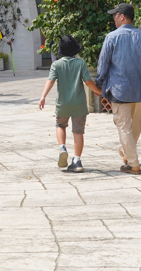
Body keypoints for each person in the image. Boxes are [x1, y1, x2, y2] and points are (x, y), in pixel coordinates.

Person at [96, 2, 141, 175]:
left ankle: (133, 163)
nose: (114, 19)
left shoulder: (112, 37)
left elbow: (103, 64)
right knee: (136, 124)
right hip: (140, 90)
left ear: (122, 17)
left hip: (119, 90)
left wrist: (99, 82)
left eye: (115, 16)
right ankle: (127, 153)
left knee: (124, 127)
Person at [38, 35, 101, 173]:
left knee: (60, 125)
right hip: (79, 104)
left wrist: (43, 96)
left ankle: (62, 148)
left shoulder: (56, 64)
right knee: (78, 132)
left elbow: (50, 81)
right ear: (74, 50)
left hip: (63, 103)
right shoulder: (80, 63)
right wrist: (98, 91)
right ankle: (77, 161)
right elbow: (88, 82)